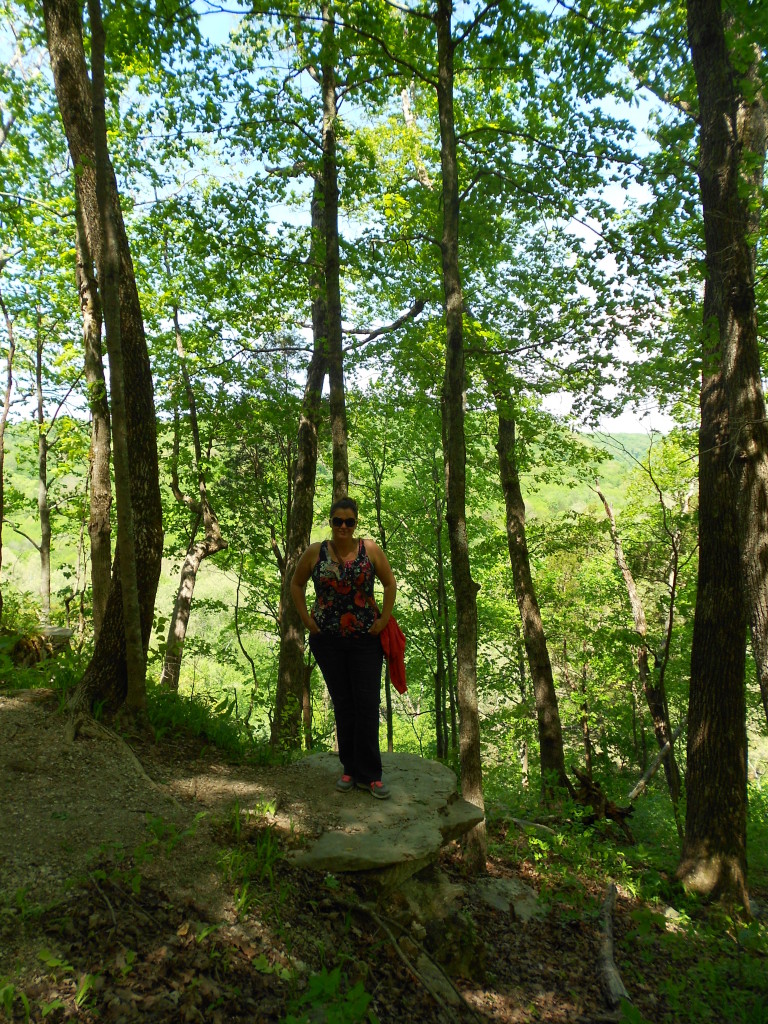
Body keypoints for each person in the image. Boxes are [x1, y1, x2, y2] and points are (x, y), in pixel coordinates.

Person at [291, 497, 397, 800]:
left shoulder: (370, 550)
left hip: (365, 639)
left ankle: (371, 775)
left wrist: (384, 618)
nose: (343, 526)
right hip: (328, 641)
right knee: (344, 703)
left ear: (356, 523)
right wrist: (307, 620)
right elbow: (296, 584)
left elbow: (389, 584)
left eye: (349, 521)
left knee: (366, 704)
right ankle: (349, 769)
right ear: (330, 521)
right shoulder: (316, 552)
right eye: (338, 520)